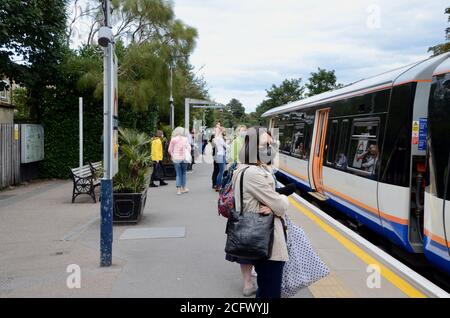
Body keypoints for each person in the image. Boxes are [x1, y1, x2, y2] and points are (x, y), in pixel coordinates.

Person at [231, 127, 290, 298]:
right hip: (267, 240)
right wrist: (282, 202)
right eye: (265, 145)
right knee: (270, 292)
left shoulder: (246, 169)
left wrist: (275, 204)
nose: (270, 148)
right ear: (252, 147)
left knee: (265, 289)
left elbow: (273, 202)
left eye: (271, 144)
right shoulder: (253, 174)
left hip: (260, 237)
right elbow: (280, 205)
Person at [168, 127, 191, 195]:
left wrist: (172, 155)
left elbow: (169, 150)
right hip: (184, 158)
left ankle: (178, 190)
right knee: (183, 173)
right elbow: (188, 148)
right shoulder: (185, 139)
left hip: (176, 158)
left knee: (178, 174)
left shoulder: (173, 140)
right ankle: (183, 188)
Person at [213, 127, 227, 191]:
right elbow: (226, 146)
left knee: (220, 171)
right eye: (224, 131)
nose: (224, 133)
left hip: (218, 155)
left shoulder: (217, 138)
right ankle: (218, 186)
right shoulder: (220, 139)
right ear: (221, 131)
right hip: (221, 155)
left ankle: (217, 185)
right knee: (221, 171)